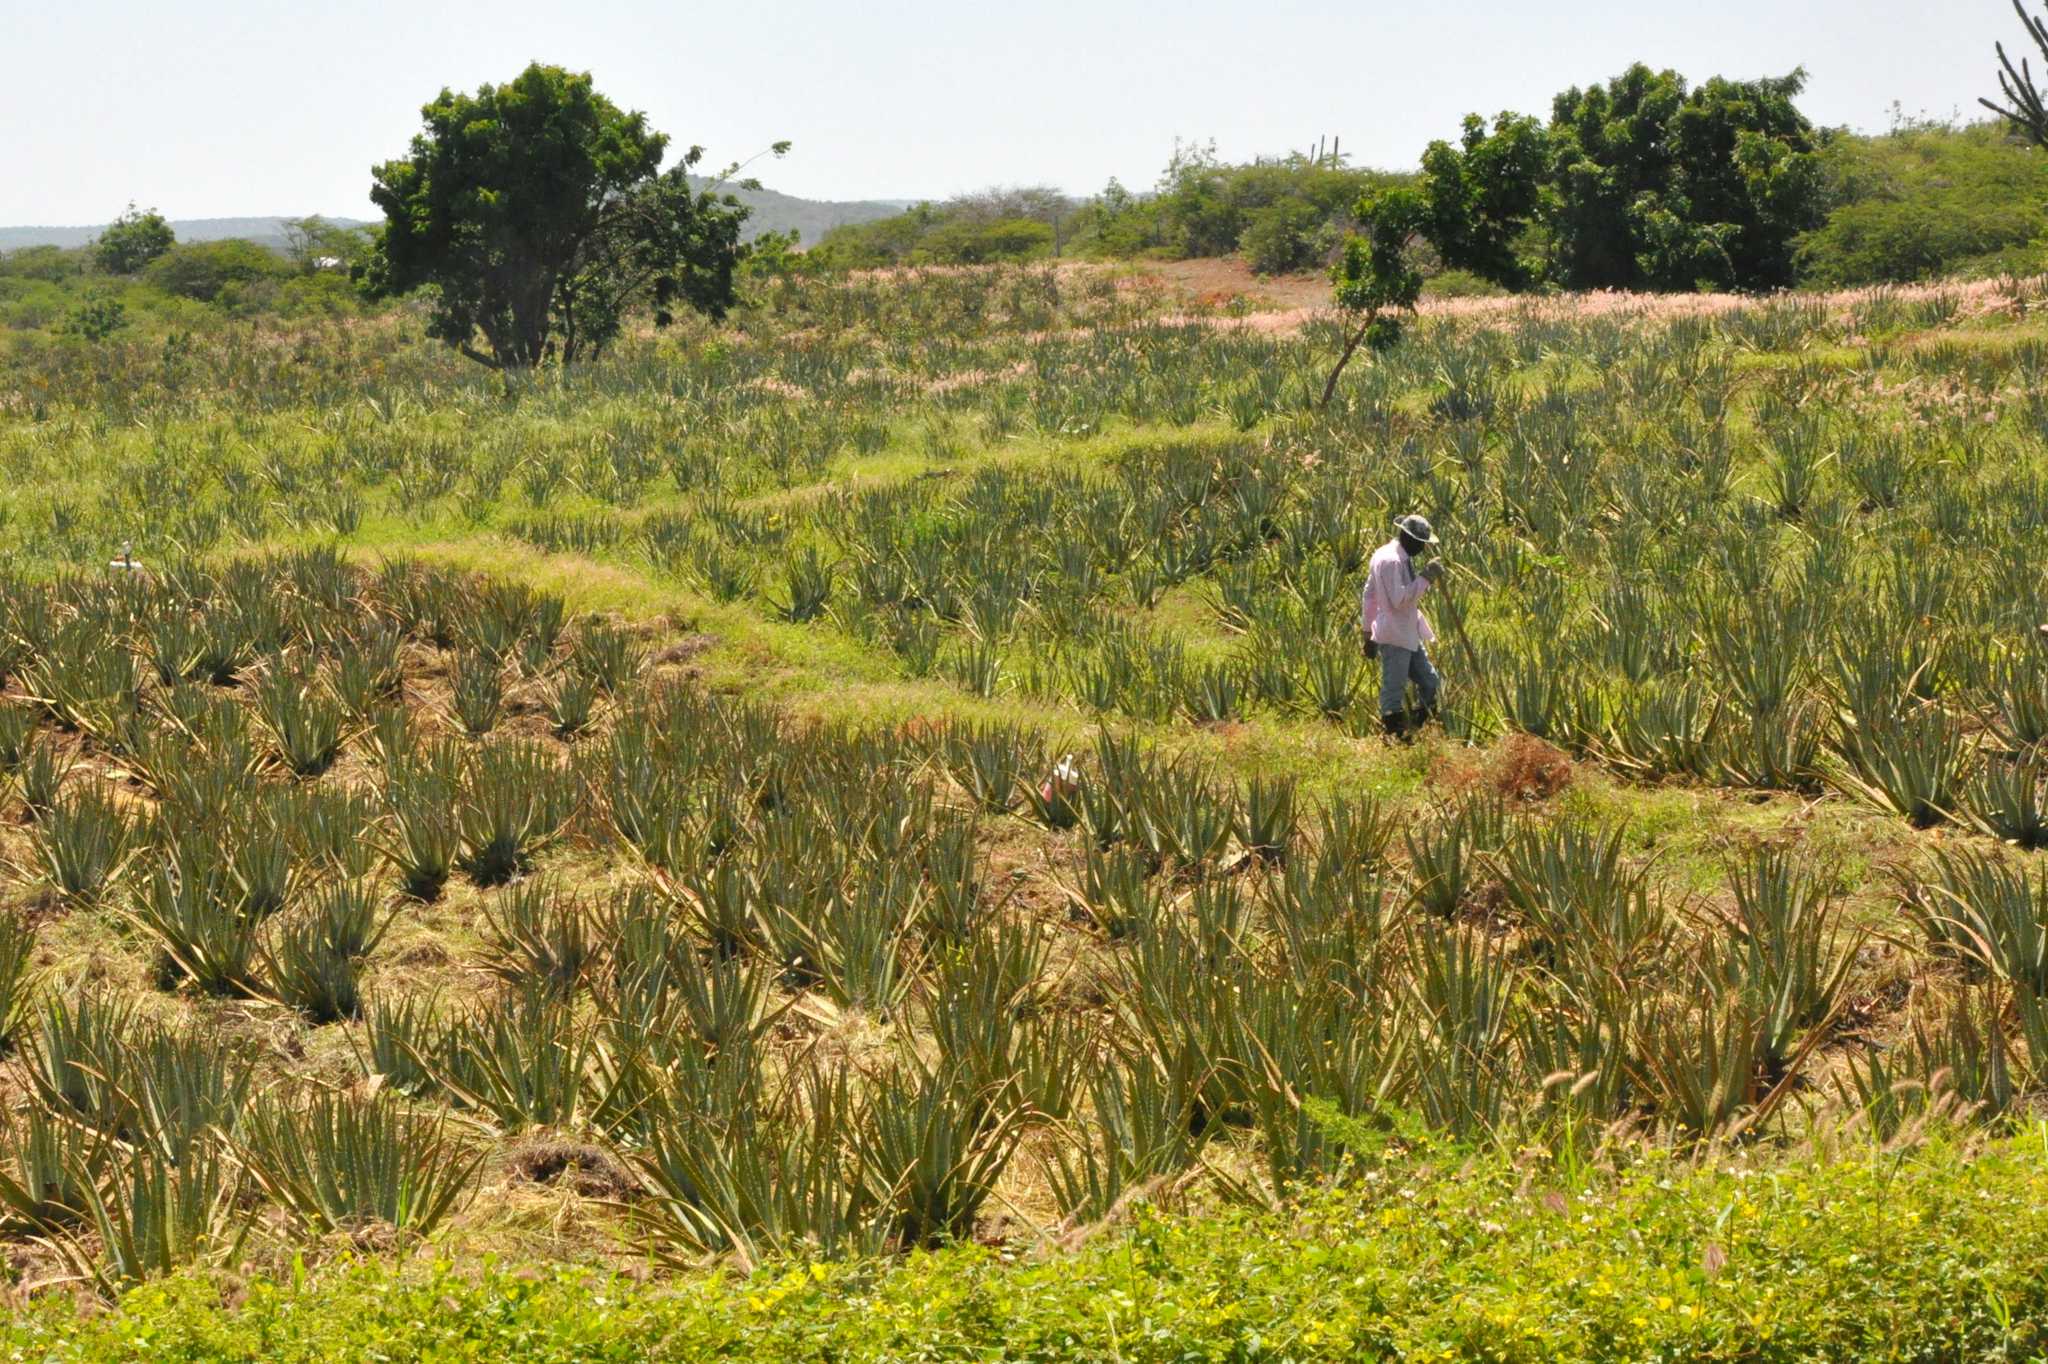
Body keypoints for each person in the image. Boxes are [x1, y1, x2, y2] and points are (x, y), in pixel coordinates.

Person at [1360, 513, 1443, 739]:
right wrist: (1426, 577)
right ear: (1408, 538)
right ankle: (1394, 737)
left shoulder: (1389, 555)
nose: (1423, 549)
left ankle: (1419, 726)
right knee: (1393, 689)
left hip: (1406, 632)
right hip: (1395, 634)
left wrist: (1367, 632)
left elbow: (1369, 595)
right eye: (1421, 544)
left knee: (1430, 681)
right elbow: (1399, 600)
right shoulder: (1392, 561)